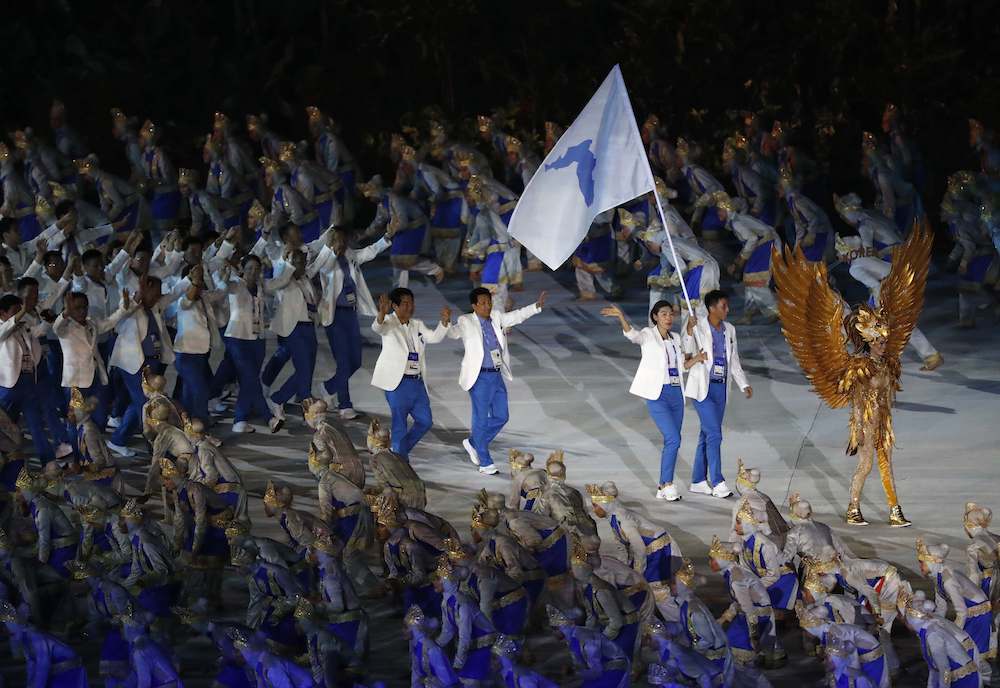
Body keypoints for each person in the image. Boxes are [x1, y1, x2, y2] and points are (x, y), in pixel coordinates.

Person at [601, 302, 701, 501]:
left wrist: (697, 357)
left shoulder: (675, 338)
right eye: (663, 314)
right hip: (657, 395)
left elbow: (682, 365)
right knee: (674, 439)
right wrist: (621, 316)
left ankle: (663, 485)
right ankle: (668, 484)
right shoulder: (648, 335)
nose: (668, 318)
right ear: (655, 317)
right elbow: (632, 335)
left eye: (670, 314)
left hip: (675, 394)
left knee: (671, 442)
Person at [447, 287, 546, 475]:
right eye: (482, 303)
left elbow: (516, 316)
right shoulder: (466, 321)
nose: (487, 306)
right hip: (479, 377)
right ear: (474, 306)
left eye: (488, 302)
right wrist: (445, 323)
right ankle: (485, 461)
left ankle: (474, 442)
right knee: (481, 419)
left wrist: (536, 306)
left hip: (497, 374)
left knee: (502, 416)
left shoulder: (497, 317)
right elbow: (453, 333)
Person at [310, 228, 391, 420]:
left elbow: (367, 252)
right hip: (334, 316)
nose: (342, 243)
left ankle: (328, 387)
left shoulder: (349, 254)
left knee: (355, 361)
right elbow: (312, 270)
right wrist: (330, 251)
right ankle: (344, 405)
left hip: (350, 314)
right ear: (331, 241)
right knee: (344, 363)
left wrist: (386, 238)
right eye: (338, 239)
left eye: (344, 239)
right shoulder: (325, 258)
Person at [681, 290, 752, 499]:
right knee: (715, 434)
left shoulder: (730, 329)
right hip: (703, 388)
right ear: (712, 308)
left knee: (707, 434)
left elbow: (734, 359)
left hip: (721, 388)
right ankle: (718, 480)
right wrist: (689, 330)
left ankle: (697, 480)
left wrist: (743, 383)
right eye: (723, 306)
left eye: (727, 306)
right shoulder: (697, 326)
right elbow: (685, 349)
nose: (727, 310)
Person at [370, 288, 451, 459]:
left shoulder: (417, 324)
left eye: (411, 302)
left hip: (417, 383)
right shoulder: (388, 322)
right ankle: (400, 461)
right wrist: (381, 314)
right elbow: (377, 327)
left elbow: (434, 338)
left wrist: (443, 323)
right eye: (405, 303)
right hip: (397, 383)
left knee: (425, 421)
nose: (410, 306)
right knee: (399, 425)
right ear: (395, 306)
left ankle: (398, 452)